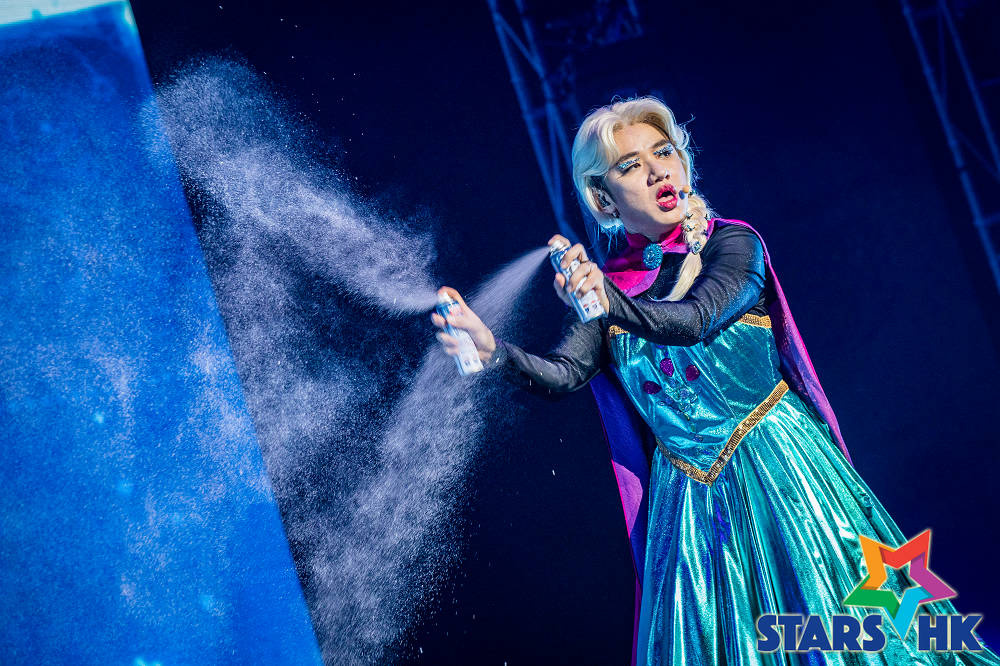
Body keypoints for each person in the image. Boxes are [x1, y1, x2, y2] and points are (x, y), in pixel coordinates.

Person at [432, 97, 999, 665]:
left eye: (664, 153)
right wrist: (494, 350)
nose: (658, 171)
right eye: (630, 166)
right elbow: (562, 375)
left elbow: (696, 319)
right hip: (688, 509)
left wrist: (607, 300)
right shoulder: (609, 288)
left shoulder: (734, 244)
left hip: (780, 471)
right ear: (603, 199)